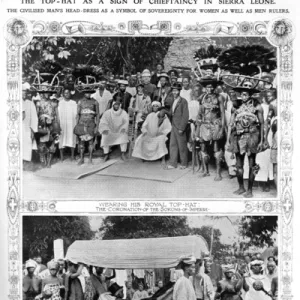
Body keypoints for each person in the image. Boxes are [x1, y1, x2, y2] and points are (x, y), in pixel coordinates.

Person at [226, 81, 265, 198]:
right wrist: (229, 139)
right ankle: (241, 187)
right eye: (242, 94)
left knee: (252, 164)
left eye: (246, 94)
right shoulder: (235, 106)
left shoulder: (257, 106)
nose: (244, 96)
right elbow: (230, 123)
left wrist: (262, 141)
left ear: (250, 94)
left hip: (252, 137)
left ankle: (250, 190)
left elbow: (262, 124)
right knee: (238, 165)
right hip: (238, 137)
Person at [195, 76, 225, 180]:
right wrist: (197, 129)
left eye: (212, 87)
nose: (210, 89)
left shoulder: (219, 97)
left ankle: (218, 173)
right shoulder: (202, 97)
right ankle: (205, 171)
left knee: (216, 150)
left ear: (215, 87)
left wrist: (221, 128)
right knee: (203, 149)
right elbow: (199, 114)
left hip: (215, 125)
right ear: (205, 88)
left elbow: (222, 113)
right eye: (208, 87)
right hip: (204, 125)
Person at [164, 82, 189, 170]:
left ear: (179, 91)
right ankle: (173, 163)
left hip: (180, 126)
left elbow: (185, 116)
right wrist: (164, 111)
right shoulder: (173, 100)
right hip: (174, 125)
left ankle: (184, 163)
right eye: (173, 90)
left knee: (182, 145)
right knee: (173, 144)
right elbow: (172, 113)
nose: (174, 92)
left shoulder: (183, 101)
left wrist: (182, 128)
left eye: (176, 91)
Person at [74, 89, 100, 165]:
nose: (88, 93)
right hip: (81, 122)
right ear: (84, 92)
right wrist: (77, 125)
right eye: (86, 92)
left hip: (91, 123)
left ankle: (90, 159)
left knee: (90, 142)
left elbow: (98, 115)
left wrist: (97, 126)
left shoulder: (95, 102)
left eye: (89, 92)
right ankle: (81, 159)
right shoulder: (80, 102)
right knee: (81, 142)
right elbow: (78, 114)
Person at [36, 91, 60, 168]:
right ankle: (44, 161)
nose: (47, 94)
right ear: (42, 93)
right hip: (42, 125)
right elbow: (36, 115)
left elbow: (57, 115)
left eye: (48, 93)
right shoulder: (39, 103)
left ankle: (49, 162)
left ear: (50, 94)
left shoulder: (54, 103)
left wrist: (58, 126)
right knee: (42, 144)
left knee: (52, 144)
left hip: (52, 125)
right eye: (45, 93)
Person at [58, 88, 77, 161]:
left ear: (70, 94)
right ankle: (62, 157)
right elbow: (58, 114)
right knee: (61, 139)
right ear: (63, 94)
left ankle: (72, 155)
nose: (67, 94)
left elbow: (76, 114)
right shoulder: (60, 103)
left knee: (72, 138)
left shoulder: (73, 103)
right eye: (65, 93)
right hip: (62, 123)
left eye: (68, 93)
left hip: (71, 123)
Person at [22, 83, 38, 164]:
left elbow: (34, 117)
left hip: (28, 127)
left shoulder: (30, 103)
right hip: (19, 127)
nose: (23, 94)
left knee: (28, 143)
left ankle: (26, 161)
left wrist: (33, 129)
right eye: (22, 92)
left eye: (25, 92)